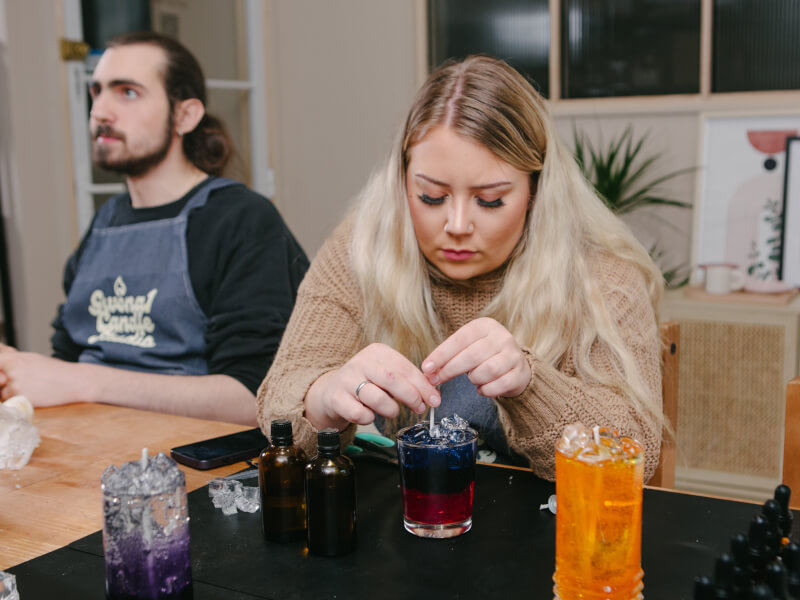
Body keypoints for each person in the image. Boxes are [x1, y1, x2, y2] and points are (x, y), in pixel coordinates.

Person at [257, 55, 663, 480]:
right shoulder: (361, 249)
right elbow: (279, 400)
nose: (456, 226)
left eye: (490, 201)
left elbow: (636, 455)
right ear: (402, 181)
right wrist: (323, 396)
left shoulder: (602, 275)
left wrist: (530, 384)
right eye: (431, 197)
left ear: (537, 192)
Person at [0, 32, 308, 425]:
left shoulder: (242, 219)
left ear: (186, 116)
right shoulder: (105, 223)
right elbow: (68, 359)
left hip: (193, 467)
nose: (101, 112)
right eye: (97, 91)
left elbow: (256, 397)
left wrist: (83, 381)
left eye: (127, 92)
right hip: (90, 454)